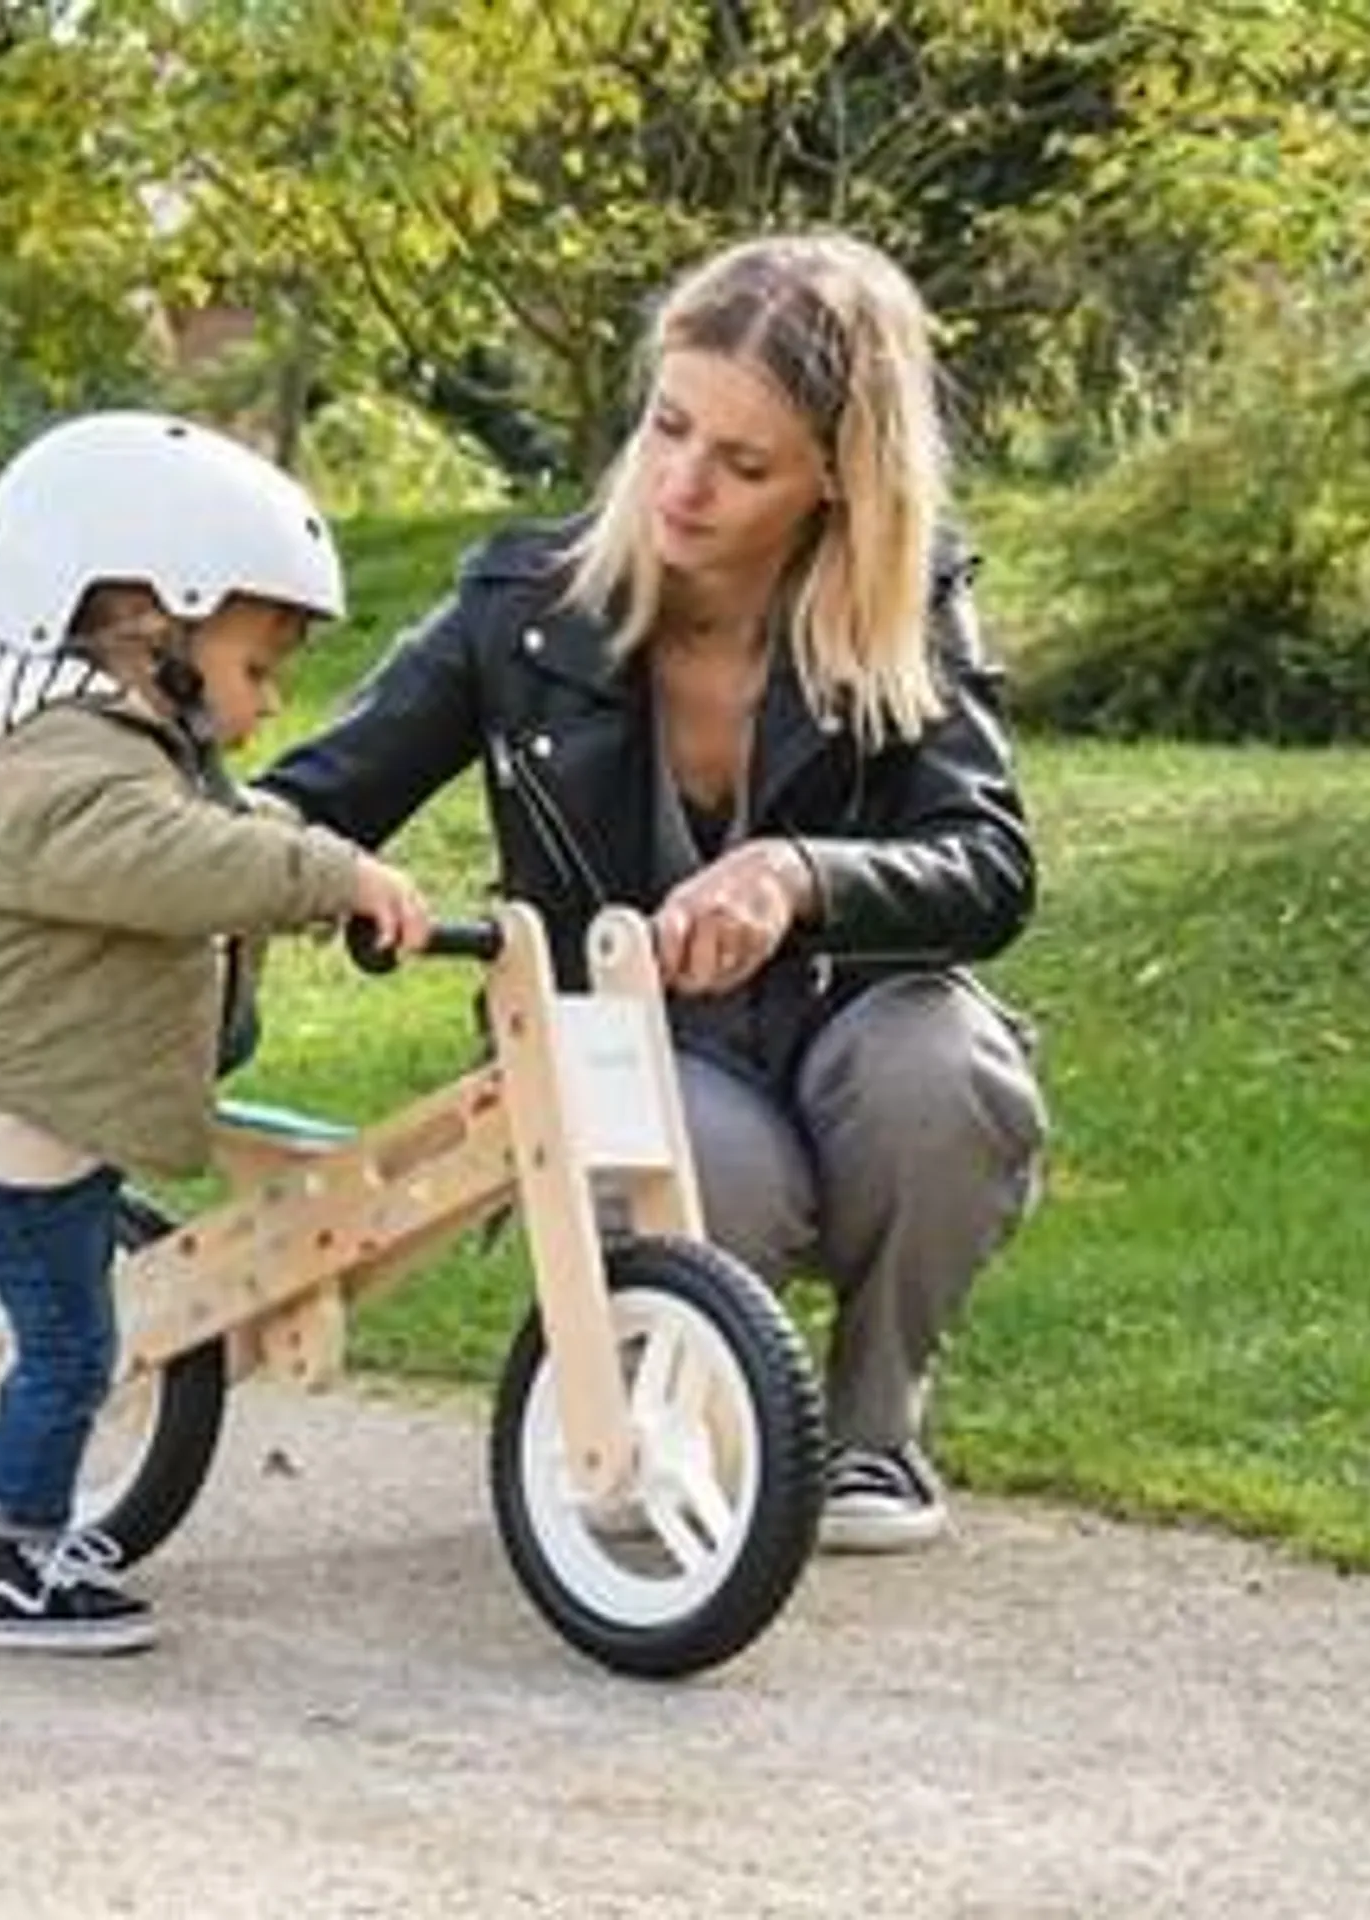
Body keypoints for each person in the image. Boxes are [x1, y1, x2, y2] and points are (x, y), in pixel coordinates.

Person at [260, 232, 1048, 1553]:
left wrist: (801, 876)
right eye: (668, 426)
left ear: (838, 485)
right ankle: (699, 1418)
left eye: (744, 464)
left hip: (852, 1026)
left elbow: (989, 865)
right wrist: (160, 830)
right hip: (631, 1041)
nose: (683, 484)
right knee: (707, 1160)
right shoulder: (523, 606)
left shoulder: (909, 607)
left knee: (944, 1080)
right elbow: (316, 795)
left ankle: (870, 1434)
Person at [0, 411, 431, 1654]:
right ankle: (7, 1567)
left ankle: (30, 1537)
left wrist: (316, 890)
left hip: (50, 1093)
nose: (268, 701)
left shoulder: (134, 746)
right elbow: (175, 860)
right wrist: (325, 872)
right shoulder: (64, 764)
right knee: (78, 1347)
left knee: (76, 1325)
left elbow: (215, 855)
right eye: (259, 664)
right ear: (150, 625)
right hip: (7, 1110)